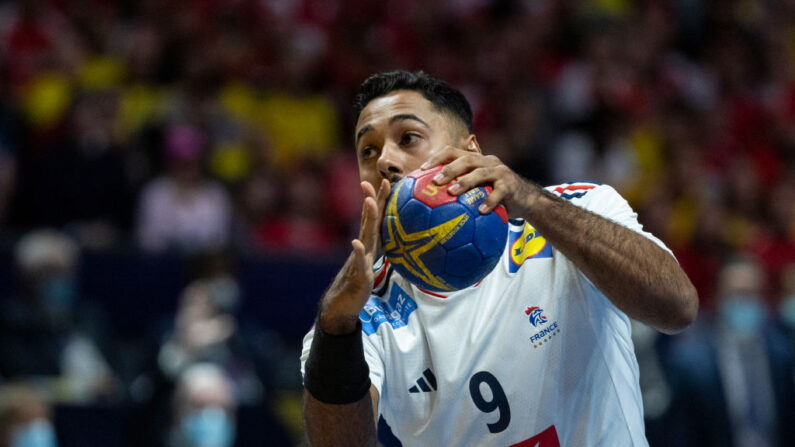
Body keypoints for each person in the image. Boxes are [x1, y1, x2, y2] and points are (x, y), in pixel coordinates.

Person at [300, 70, 698, 446]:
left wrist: (530, 200)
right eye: (368, 151)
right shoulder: (361, 311)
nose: (384, 161)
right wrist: (336, 326)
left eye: (408, 138)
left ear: (469, 149)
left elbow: (677, 308)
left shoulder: (581, 208)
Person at [667, 257, 795, 446]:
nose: (744, 303)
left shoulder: (783, 352)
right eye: (736, 294)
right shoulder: (690, 362)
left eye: (752, 294)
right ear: (717, 297)